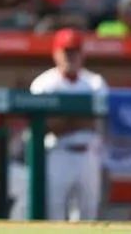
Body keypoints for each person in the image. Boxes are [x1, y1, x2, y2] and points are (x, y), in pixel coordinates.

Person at [29, 29, 109, 221]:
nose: (70, 56)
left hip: (88, 154)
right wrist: (81, 119)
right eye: (66, 51)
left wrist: (65, 119)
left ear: (82, 54)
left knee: (88, 216)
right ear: (56, 53)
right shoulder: (44, 83)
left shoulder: (95, 82)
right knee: (54, 214)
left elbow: (99, 121)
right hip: (58, 153)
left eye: (74, 51)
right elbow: (45, 125)